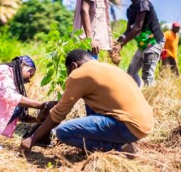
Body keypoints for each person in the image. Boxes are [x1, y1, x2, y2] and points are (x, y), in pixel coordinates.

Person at [20, 49, 154, 158]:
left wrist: (33, 138)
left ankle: (121, 147)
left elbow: (59, 115)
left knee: (63, 132)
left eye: (68, 73)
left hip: (128, 127)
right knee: (88, 99)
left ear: (74, 66)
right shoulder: (106, 68)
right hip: (144, 124)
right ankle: (111, 142)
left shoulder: (78, 73)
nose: (69, 77)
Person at [113, 0, 165, 87]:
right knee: (131, 73)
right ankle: (138, 94)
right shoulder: (130, 9)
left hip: (154, 42)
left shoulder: (144, 3)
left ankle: (153, 98)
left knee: (147, 76)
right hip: (143, 44)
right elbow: (129, 30)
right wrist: (118, 40)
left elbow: (138, 28)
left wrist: (121, 45)